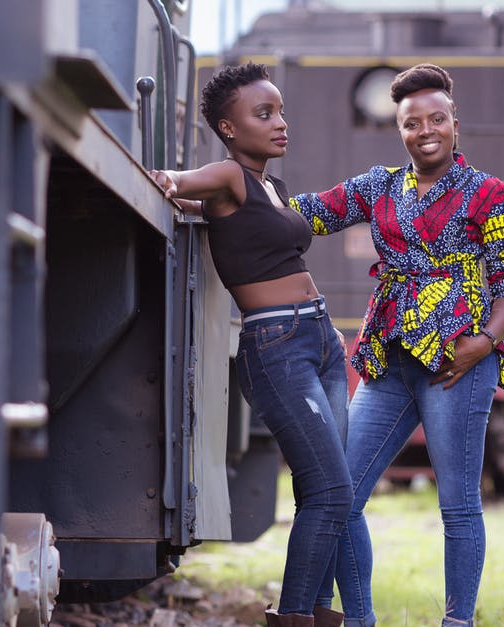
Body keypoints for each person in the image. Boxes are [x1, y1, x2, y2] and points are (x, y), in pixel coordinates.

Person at [289, 64, 504, 626]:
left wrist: (485, 343)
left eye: (436, 119)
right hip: (390, 360)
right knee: (340, 494)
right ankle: (360, 620)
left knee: (458, 506)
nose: (426, 131)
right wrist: (233, 195)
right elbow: (309, 212)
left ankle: (457, 621)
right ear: (398, 130)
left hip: (458, 364)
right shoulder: (378, 187)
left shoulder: (487, 193)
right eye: (411, 122)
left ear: (454, 123)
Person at [150, 62, 351, 627]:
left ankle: (316, 613)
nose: (280, 122)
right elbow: (184, 182)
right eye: (264, 114)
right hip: (278, 344)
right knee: (332, 490)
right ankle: (295, 617)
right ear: (229, 127)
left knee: (329, 491)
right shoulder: (230, 176)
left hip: (320, 339)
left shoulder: (270, 185)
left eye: (281, 110)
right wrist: (171, 182)